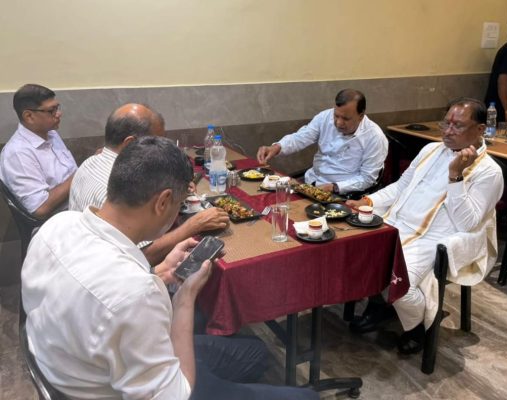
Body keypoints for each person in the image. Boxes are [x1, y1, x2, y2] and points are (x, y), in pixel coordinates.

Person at [22, 136, 318, 400]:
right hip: (123, 387)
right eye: (180, 204)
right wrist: (185, 298)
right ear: (163, 201)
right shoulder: (135, 295)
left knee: (255, 354)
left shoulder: (57, 226)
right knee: (307, 397)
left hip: (71, 363)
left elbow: (100, 288)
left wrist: (160, 273)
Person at [347, 98, 503, 353]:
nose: (448, 131)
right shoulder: (431, 149)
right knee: (356, 253)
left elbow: (468, 224)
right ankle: (380, 307)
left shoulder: (489, 171)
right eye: (446, 123)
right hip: (396, 222)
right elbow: (401, 186)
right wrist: (368, 201)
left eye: (457, 126)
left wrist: (456, 176)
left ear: (480, 129)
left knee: (397, 280)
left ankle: (419, 324)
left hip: (433, 239)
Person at [69, 103, 230, 266]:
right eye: (155, 143)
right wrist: (194, 225)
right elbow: (141, 255)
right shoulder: (118, 188)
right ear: (129, 144)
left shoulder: (90, 162)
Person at [256, 89, 388, 195]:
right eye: (336, 116)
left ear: (361, 116)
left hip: (343, 193)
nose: (339, 123)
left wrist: (334, 187)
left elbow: (367, 178)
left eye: (346, 119)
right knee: (272, 198)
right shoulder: (325, 117)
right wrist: (277, 147)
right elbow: (301, 137)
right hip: (312, 181)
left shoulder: (374, 137)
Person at [0, 84, 77, 219]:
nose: (59, 114)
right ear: (29, 116)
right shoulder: (17, 154)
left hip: (77, 202)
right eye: (51, 110)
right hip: (59, 220)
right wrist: (80, 175)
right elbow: (40, 208)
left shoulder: (50, 133)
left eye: (57, 107)